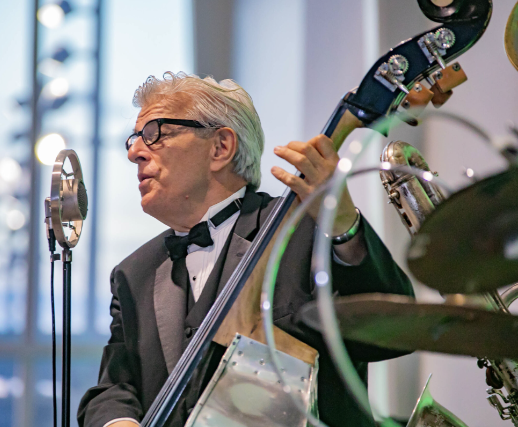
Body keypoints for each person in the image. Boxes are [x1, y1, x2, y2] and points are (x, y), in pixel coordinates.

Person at [77, 72, 413, 427]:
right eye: (133, 139)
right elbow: (113, 387)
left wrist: (342, 223)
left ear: (220, 147)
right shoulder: (134, 273)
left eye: (154, 133)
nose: (134, 152)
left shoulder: (305, 229)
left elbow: (394, 333)